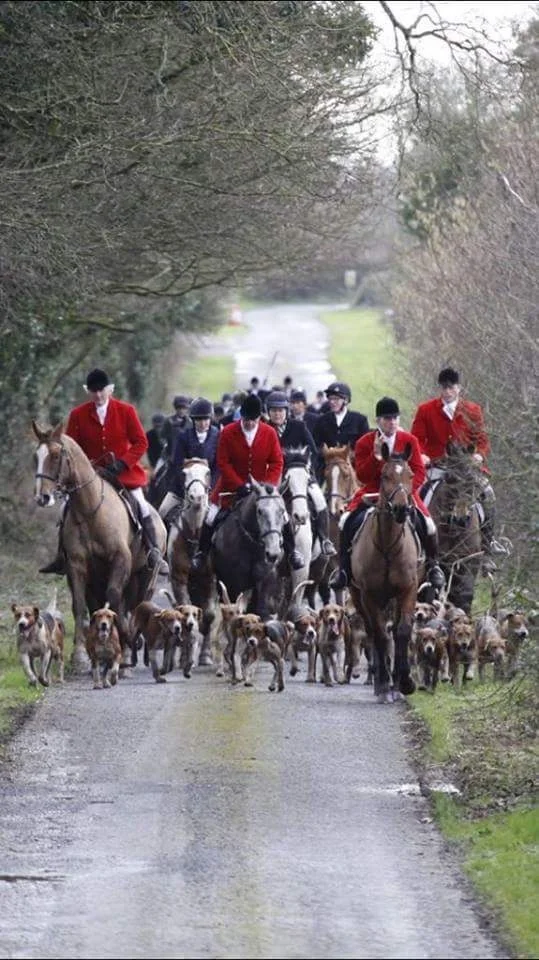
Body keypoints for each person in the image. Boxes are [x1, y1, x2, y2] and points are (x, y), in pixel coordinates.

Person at [39, 368, 168, 575]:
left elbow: (141, 442)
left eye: (101, 391)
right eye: (93, 391)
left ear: (109, 390)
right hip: (91, 477)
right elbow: (71, 449)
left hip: (124, 475)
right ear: (88, 391)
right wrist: (84, 467)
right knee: (65, 510)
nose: (98, 395)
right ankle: (61, 557)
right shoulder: (78, 414)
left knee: (142, 507)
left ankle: (154, 553)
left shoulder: (126, 411)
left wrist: (123, 463)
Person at [330, 397, 445, 591]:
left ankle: (434, 566)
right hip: (373, 492)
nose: (392, 422)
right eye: (387, 419)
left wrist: (405, 491)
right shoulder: (364, 442)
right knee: (345, 521)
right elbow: (363, 476)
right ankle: (344, 570)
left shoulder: (409, 440)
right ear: (378, 421)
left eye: (395, 418)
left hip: (404, 494)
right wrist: (375, 457)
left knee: (429, 524)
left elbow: (419, 471)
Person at [190, 394, 304, 571]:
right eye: (246, 419)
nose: (250, 423)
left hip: (263, 488)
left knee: (283, 515)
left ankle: (292, 552)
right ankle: (202, 553)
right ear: (240, 415)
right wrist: (239, 485)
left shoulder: (269, 432)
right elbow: (223, 462)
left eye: (254, 420)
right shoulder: (227, 432)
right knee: (211, 515)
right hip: (230, 486)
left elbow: (277, 462)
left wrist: (268, 485)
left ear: (260, 417)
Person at [410, 367, 508, 571]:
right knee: (419, 495)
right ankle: (417, 544)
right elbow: (416, 439)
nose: (447, 392)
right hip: (437, 465)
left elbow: (481, 440)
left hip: (465, 467)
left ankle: (488, 546)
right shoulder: (426, 409)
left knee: (488, 494)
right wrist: (423, 455)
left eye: (451, 387)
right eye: (444, 388)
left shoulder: (472, 410)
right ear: (440, 388)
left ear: (458, 388)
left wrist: (478, 455)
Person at [265, 390, 336, 557]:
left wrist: (307, 469)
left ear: (286, 411)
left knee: (319, 500)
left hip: (300, 473)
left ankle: (325, 539)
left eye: (281, 411)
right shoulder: (265, 429)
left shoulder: (298, 426)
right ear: (268, 412)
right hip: (274, 476)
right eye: (274, 411)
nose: (277, 414)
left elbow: (313, 450)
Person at [159, 397, 220, 524]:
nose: (203, 423)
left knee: (218, 519)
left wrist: (210, 487)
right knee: (162, 512)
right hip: (183, 488)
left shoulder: (218, 436)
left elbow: (218, 466)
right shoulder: (183, 436)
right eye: (199, 420)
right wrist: (187, 486)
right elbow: (177, 464)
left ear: (210, 419)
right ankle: (160, 543)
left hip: (208, 489)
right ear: (193, 420)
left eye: (206, 419)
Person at [312, 381, 370, 483]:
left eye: (336, 399)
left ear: (346, 400)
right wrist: (327, 452)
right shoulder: (322, 420)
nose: (332, 402)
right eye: (330, 399)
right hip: (327, 466)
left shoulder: (360, 420)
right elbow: (316, 445)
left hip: (351, 466)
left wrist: (351, 454)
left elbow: (365, 447)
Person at [162, 394, 191, 463]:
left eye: (184, 408)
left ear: (187, 409)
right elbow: (162, 436)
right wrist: (166, 444)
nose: (181, 410)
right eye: (179, 408)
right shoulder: (168, 421)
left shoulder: (190, 423)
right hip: (168, 455)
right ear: (175, 408)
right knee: (157, 471)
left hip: (186, 456)